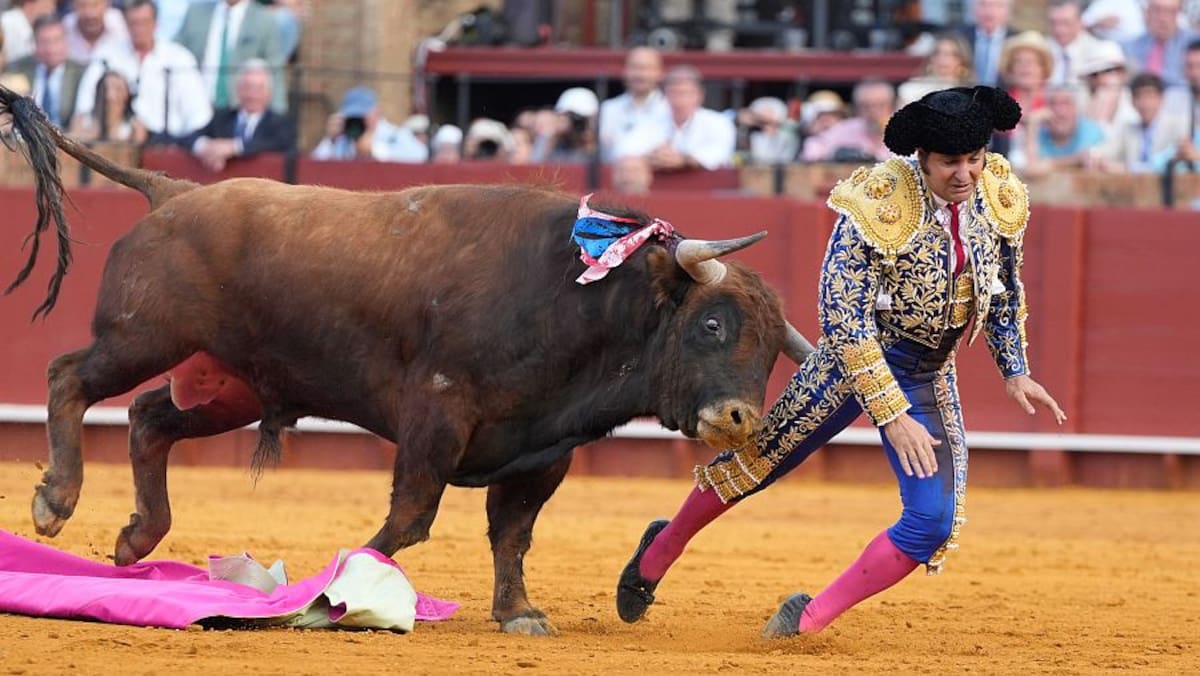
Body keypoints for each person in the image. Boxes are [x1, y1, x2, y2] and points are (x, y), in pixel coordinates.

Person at [615, 85, 1066, 638]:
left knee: (933, 522)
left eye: (974, 160)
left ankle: (807, 618)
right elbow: (845, 315)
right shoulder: (875, 200)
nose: (966, 174)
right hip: (853, 362)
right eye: (951, 162)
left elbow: (1003, 288)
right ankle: (662, 547)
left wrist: (1014, 365)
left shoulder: (998, 191)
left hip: (928, 372)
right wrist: (892, 413)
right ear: (921, 157)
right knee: (755, 464)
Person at [75, 0, 213, 142]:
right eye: (133, 23)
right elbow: (84, 109)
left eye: (144, 22)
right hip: (118, 142)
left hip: (167, 144)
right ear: (126, 23)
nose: (139, 29)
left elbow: (199, 115)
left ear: (156, 23)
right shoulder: (107, 55)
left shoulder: (179, 58)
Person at [174, 0, 286, 112]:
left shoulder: (264, 19)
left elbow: (274, 70)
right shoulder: (195, 13)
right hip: (198, 109)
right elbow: (175, 55)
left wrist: (277, 114)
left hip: (238, 113)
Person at [186, 59, 294, 171]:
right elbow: (187, 138)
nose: (252, 95)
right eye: (247, 87)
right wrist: (206, 146)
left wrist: (234, 147)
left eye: (259, 88)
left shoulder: (281, 123)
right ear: (238, 89)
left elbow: (278, 144)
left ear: (269, 93)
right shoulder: (222, 118)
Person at [6, 14, 85, 128]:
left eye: (56, 40)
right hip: (28, 138)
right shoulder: (18, 69)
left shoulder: (80, 73)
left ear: (66, 42)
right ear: (34, 44)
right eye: (44, 41)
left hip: (67, 138)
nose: (51, 48)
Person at [311, 86, 427, 163]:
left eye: (362, 115)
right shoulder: (342, 138)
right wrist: (330, 140)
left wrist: (374, 150)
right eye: (353, 115)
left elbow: (420, 154)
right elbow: (315, 164)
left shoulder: (393, 134)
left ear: (377, 112)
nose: (358, 120)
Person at [598, 46, 669, 162]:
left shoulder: (671, 110)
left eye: (647, 68)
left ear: (660, 73)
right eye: (635, 67)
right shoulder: (608, 109)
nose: (641, 74)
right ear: (625, 71)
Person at [800, 80, 895, 162]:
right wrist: (835, 154)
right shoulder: (844, 130)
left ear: (892, 107)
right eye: (866, 106)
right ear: (857, 109)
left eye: (880, 105)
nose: (873, 111)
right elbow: (813, 149)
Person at [1123, 0, 1195, 89]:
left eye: (1170, 11)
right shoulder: (1131, 46)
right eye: (1157, 10)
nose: (1163, 18)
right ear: (1147, 12)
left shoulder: (1194, 44)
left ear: (1179, 13)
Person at [898, 32, 975, 106]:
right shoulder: (910, 90)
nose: (942, 59)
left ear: (962, 60)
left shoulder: (973, 96)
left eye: (950, 54)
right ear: (930, 58)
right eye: (937, 53)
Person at [67, 69, 144, 142]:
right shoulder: (81, 121)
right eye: (105, 89)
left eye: (118, 89)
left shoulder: (135, 127)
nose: (110, 96)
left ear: (127, 95)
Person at [63, 0, 131, 63]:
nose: (90, 14)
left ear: (107, 4)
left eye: (96, 5)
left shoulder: (119, 23)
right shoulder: (65, 27)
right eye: (82, 6)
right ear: (73, 6)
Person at [2, 0, 56, 64]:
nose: (52, 9)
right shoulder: (7, 22)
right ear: (30, 3)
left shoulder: (37, 28)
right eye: (48, 5)